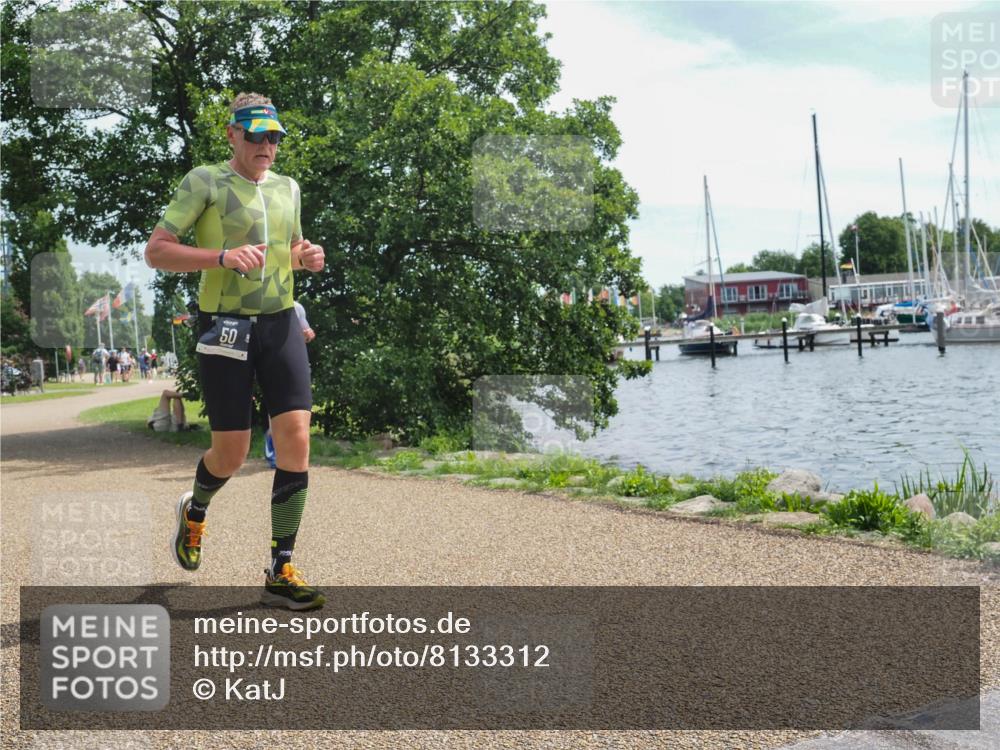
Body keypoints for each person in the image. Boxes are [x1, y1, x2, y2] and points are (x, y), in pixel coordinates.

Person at [145, 92, 326, 610]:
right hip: (224, 326)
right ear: (232, 134)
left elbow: (289, 250)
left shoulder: (288, 188)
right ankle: (196, 510)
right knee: (232, 452)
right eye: (255, 135)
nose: (266, 146)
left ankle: (280, 570)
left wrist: (307, 256)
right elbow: (157, 251)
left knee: (296, 438)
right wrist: (221, 257)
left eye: (274, 137)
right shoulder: (204, 181)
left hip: (281, 323)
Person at [264, 300, 314, 468]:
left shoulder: (297, 307)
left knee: (297, 417)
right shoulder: (262, 304)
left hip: (292, 365)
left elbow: (307, 333)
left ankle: (291, 457)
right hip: (270, 363)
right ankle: (272, 452)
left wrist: (307, 334)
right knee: (275, 416)